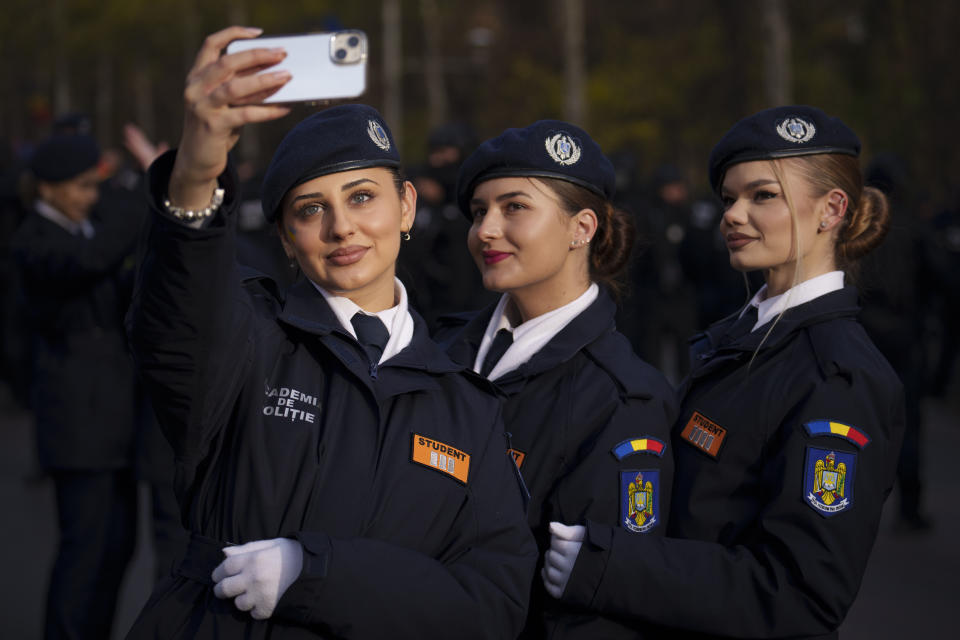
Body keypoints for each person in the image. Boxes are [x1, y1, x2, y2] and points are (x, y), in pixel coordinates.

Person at [124, 26, 535, 638]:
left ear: (405, 208)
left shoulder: (465, 405)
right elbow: (178, 310)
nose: (342, 227)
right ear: (287, 238)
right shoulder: (248, 338)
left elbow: (493, 600)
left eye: (362, 196)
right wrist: (195, 175)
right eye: (310, 210)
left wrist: (318, 573)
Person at [542, 105, 905, 639]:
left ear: (831, 209)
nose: (733, 214)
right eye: (729, 198)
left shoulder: (837, 376)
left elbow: (800, 596)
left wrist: (609, 568)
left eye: (762, 196)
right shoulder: (747, 337)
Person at [437, 120, 676, 637]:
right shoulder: (441, 354)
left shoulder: (622, 399)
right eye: (479, 212)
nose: (486, 230)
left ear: (581, 228)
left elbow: (599, 613)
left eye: (514, 207)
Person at [11, 132, 143, 639]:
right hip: (78, 426)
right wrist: (143, 198)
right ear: (48, 188)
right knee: (84, 552)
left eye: (96, 184)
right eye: (82, 185)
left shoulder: (87, 228)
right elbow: (90, 264)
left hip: (114, 421)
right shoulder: (35, 241)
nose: (92, 194)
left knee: (117, 549)